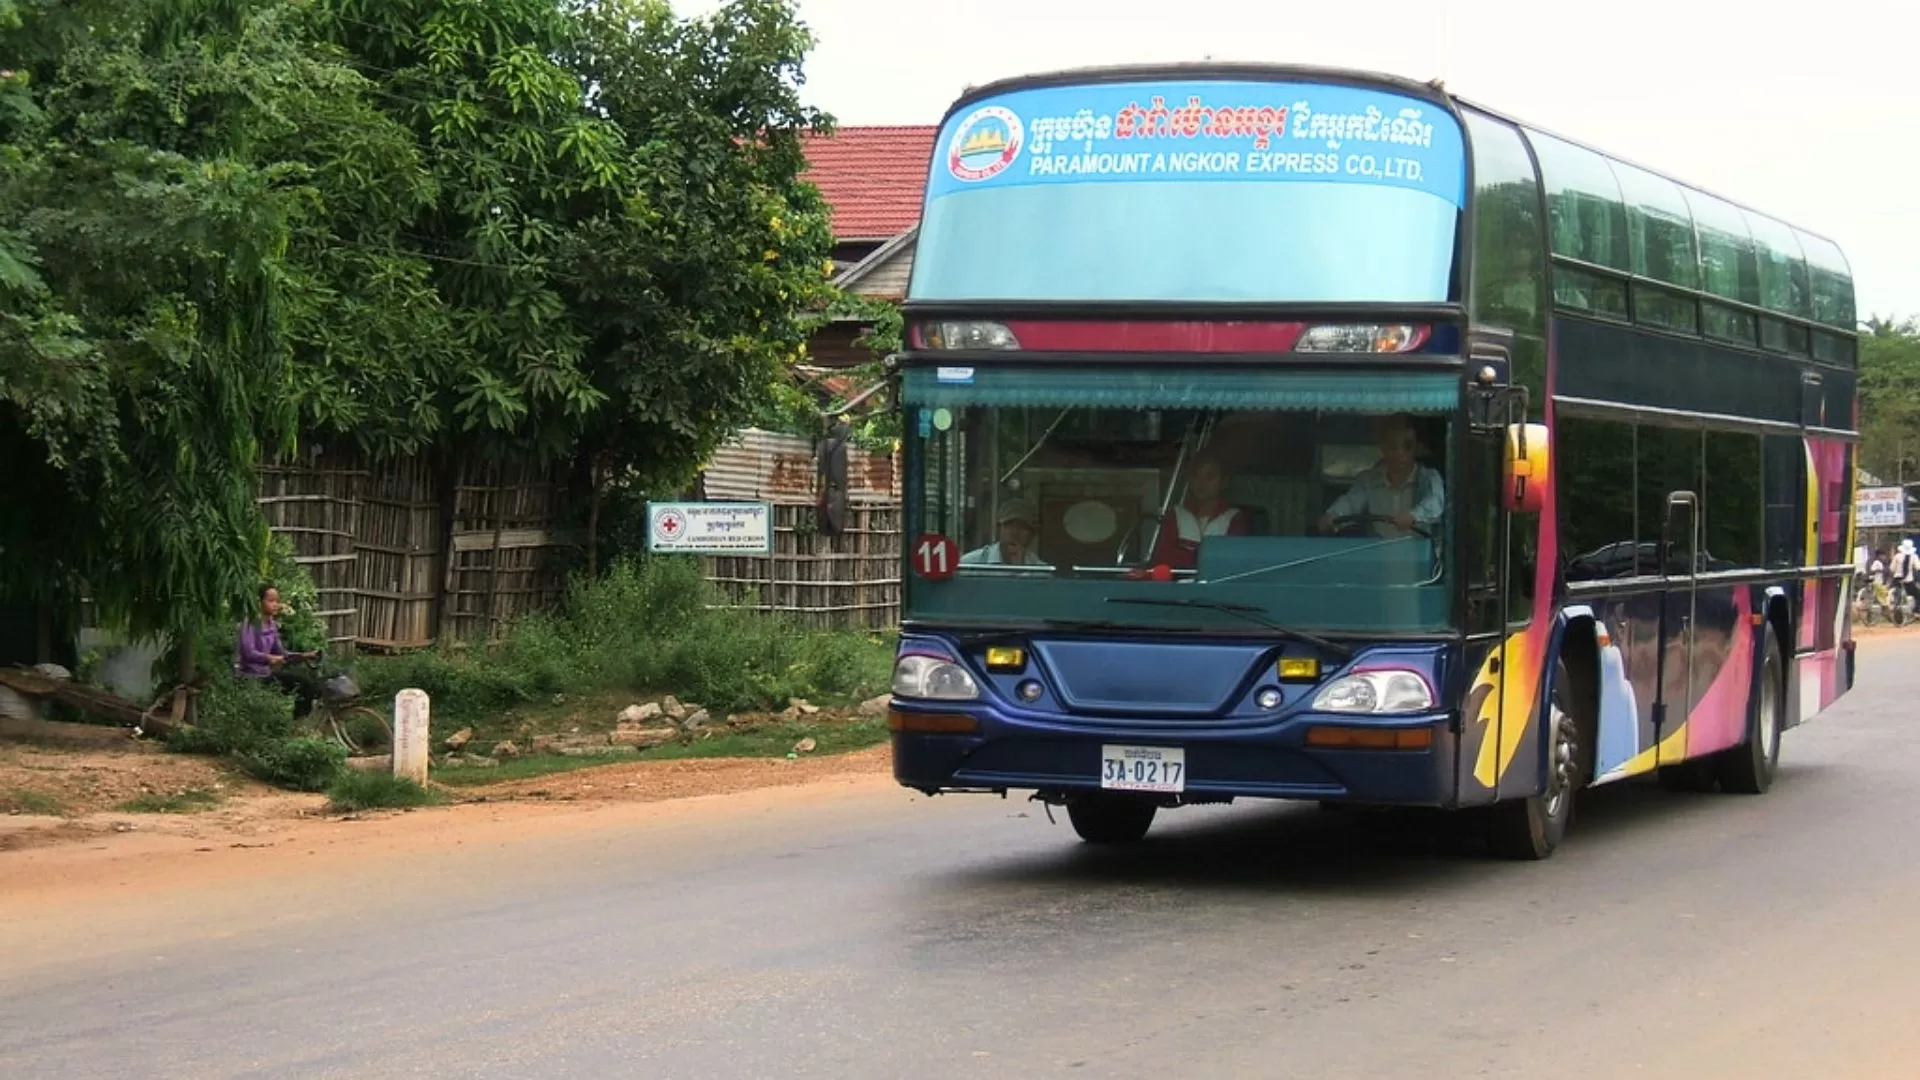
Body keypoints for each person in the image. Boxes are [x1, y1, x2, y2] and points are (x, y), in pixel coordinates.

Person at [1318, 414, 1445, 538]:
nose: (1400, 452)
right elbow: (1351, 502)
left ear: (1417, 448)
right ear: (1383, 448)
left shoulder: (1429, 478)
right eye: (1392, 446)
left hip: (1420, 554)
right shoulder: (1368, 480)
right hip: (1377, 554)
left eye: (1407, 446)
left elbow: (1435, 502)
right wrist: (1332, 516)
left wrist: (1414, 516)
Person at [1146, 454, 1249, 570]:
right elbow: (1163, 558)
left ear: (1224, 482)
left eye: (1210, 477)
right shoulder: (1177, 514)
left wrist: (1187, 554)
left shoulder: (1234, 518)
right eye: (1196, 476)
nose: (1201, 483)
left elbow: (1230, 559)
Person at [235, 584, 321, 718]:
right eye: (271, 601)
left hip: (266, 675)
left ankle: (298, 724)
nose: (275, 605)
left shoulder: (272, 625)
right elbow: (248, 652)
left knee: (305, 685)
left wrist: (305, 656)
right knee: (301, 684)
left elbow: (282, 653)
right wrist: (269, 658)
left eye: (277, 601)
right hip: (250, 676)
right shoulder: (250, 623)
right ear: (259, 602)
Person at [961, 499, 1047, 566]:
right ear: (998, 529)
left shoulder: (1041, 572)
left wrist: (1020, 569)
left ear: (1033, 535)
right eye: (1010, 526)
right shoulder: (970, 563)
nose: (1015, 533)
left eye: (1023, 527)